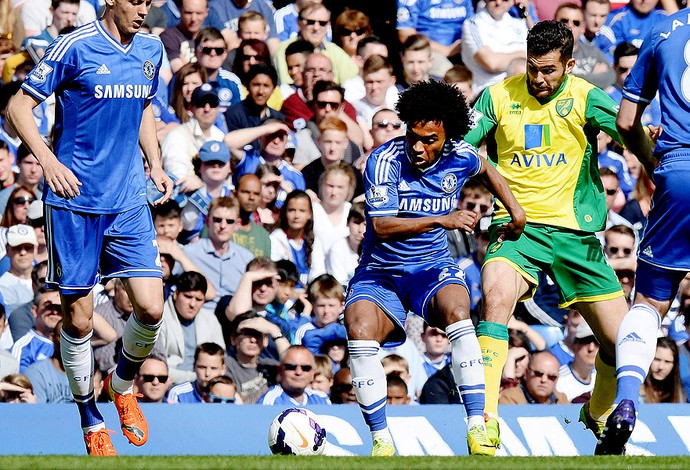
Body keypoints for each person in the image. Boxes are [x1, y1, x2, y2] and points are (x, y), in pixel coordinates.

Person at [6, 0, 174, 455]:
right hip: (75, 202)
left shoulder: (150, 50)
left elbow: (142, 106)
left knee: (153, 309)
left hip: (127, 200)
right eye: (136, 1)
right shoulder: (74, 46)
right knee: (79, 322)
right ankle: (89, 418)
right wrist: (48, 160)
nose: (144, 10)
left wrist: (154, 162)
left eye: (149, 2)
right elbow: (17, 108)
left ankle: (121, 387)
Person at [464, 20, 634, 455]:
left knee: (621, 346)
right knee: (495, 299)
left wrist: (651, 142)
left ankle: (595, 414)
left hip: (577, 235)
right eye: (532, 67)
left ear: (570, 65)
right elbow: (465, 151)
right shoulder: (498, 96)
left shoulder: (586, 97)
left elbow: (628, 132)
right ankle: (484, 422)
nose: (538, 78)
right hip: (517, 229)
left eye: (549, 71)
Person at [344, 79, 524, 456]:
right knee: (359, 333)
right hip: (381, 273)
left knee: (459, 313)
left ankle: (477, 426)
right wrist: (442, 219)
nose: (418, 146)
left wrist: (516, 210)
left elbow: (487, 167)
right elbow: (382, 226)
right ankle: (381, 441)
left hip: (431, 267)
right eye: (413, 136)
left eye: (429, 139)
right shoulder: (383, 160)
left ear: (448, 135)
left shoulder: (461, 153)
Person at [613, 5, 690, 456]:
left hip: (679, 172)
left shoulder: (663, 30)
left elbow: (626, 121)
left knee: (649, 301)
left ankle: (626, 400)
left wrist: (653, 160)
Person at [183, 196, 255, 310]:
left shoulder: (247, 258)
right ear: (207, 221)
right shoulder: (188, 253)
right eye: (217, 220)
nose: (223, 226)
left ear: (237, 225)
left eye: (230, 221)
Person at [158, 271, 224, 384]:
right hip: (168, 383)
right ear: (176, 294)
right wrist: (195, 377)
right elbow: (156, 366)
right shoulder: (159, 319)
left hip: (207, 382)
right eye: (188, 297)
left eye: (198, 299)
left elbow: (220, 357)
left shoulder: (209, 319)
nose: (192, 304)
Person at [461, 0, 529, 94]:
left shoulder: (519, 23)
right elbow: (491, 63)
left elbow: (537, 55)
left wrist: (526, 14)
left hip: (521, 87)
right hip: (489, 91)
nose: (498, 2)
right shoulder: (473, 24)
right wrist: (522, 53)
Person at [224, 311, 281, 404]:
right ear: (233, 339)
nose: (253, 340)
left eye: (257, 334)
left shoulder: (272, 366)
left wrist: (274, 330)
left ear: (265, 340)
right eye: (247, 334)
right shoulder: (225, 366)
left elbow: (295, 364)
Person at [555, 3, 615, 90]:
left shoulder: (593, 51)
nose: (569, 26)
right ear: (553, 23)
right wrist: (593, 75)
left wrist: (576, 78)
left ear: (582, 28)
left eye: (576, 23)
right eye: (564, 21)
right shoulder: (549, 54)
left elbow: (611, 76)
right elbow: (560, 81)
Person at [256, 345, 331, 406]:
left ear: (312, 373)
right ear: (280, 370)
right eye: (291, 367)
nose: (298, 372)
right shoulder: (270, 401)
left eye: (305, 368)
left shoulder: (321, 399)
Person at [498, 351, 570, 404]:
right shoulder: (510, 397)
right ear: (526, 373)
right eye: (538, 374)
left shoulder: (562, 400)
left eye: (551, 377)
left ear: (557, 379)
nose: (544, 380)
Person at [556, 321, 599, 402]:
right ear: (573, 346)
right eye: (585, 341)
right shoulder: (559, 380)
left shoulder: (603, 378)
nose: (591, 348)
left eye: (597, 342)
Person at [326, 201, 365, 288]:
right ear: (348, 222)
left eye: (365, 224)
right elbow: (340, 284)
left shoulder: (373, 249)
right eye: (356, 223)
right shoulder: (338, 247)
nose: (361, 230)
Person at [640, 337, 686, 404]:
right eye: (657, 359)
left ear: (674, 365)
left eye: (667, 362)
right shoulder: (636, 391)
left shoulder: (679, 392)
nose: (661, 367)